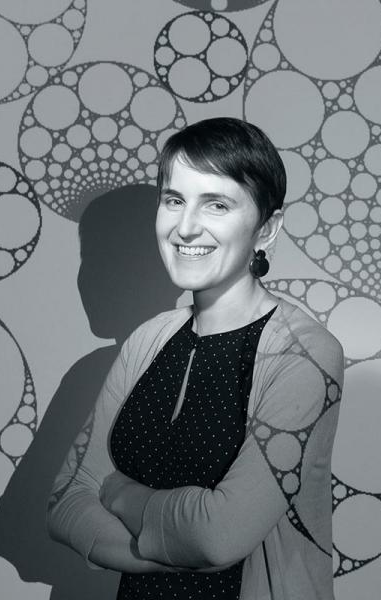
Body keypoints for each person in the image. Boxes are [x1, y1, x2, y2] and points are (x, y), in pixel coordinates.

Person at [46, 117, 345, 600]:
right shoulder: (148, 341)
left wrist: (119, 492)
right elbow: (65, 500)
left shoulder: (304, 353)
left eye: (217, 204)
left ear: (267, 229)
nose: (185, 227)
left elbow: (217, 537)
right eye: (173, 200)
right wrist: (168, 551)